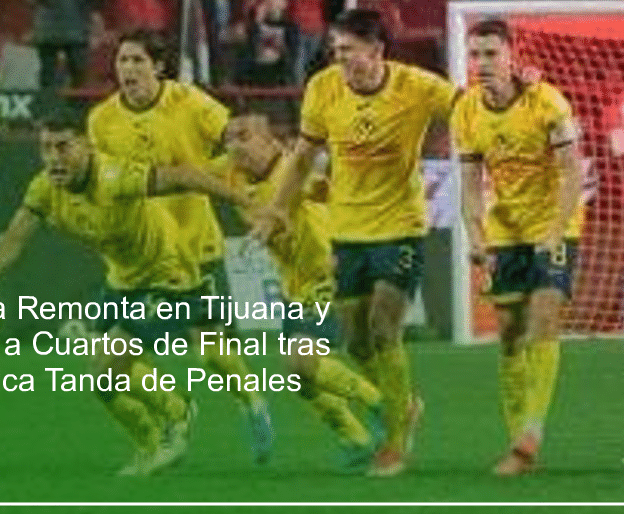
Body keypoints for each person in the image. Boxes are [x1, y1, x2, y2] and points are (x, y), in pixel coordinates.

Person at [0, 108, 256, 475]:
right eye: (46, 148)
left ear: (86, 146)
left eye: (63, 147)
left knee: (108, 370)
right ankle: (159, 431)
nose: (53, 158)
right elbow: (16, 234)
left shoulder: (115, 176)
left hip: (167, 273)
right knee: (101, 377)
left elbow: (186, 177)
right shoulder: (44, 188)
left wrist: (247, 202)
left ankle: (174, 432)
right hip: (122, 280)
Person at [256, 8, 454, 476]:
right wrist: (277, 209)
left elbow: (469, 109)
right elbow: (303, 157)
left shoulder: (417, 86)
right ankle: (403, 403)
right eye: (335, 49)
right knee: (357, 340)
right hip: (347, 232)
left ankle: (397, 442)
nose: (338, 57)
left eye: (347, 49)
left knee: (385, 325)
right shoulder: (323, 88)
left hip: (401, 227)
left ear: (376, 50)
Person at [88, 30, 278, 464]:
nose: (128, 70)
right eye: (122, 61)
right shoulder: (101, 121)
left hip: (194, 247)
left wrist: (231, 177)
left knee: (211, 348)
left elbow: (236, 137)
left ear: (158, 66)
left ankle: (251, 404)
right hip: (140, 254)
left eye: (137, 60)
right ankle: (178, 410)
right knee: (108, 362)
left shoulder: (189, 102)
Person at [452, 19, 583, 476]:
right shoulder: (466, 111)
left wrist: (556, 230)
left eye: (491, 54)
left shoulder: (547, 101)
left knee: (544, 318)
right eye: (476, 55)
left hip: (553, 224)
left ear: (511, 56)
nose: (482, 64)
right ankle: (517, 443)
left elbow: (573, 172)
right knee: (509, 335)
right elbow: (470, 186)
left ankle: (530, 435)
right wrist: (477, 237)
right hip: (505, 229)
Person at [221, 111, 384, 471]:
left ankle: (383, 406)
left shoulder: (292, 171)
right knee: (300, 379)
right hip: (294, 285)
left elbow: (321, 186)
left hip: (328, 271)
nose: (235, 146)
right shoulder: (231, 175)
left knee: (300, 362)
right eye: (229, 139)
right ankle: (354, 437)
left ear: (272, 143)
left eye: (244, 137)